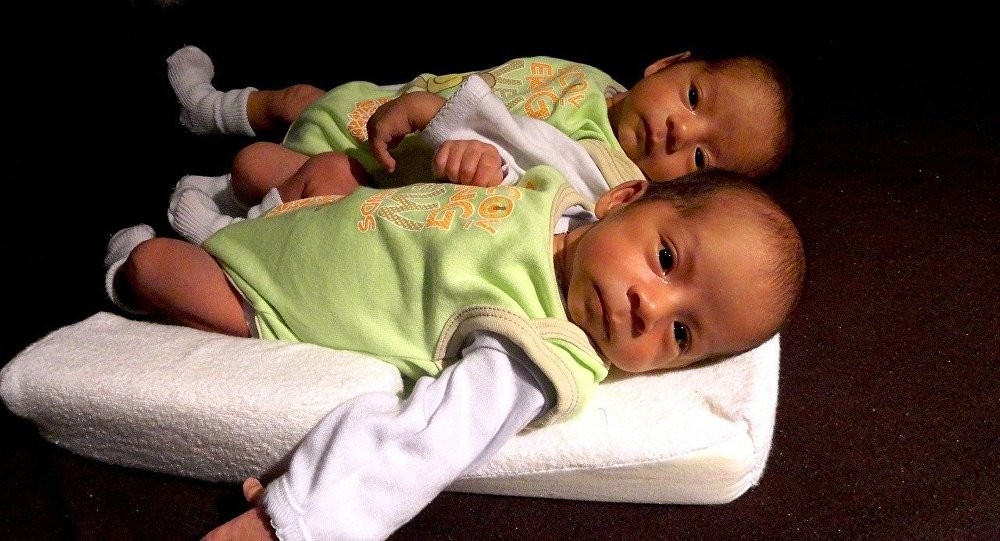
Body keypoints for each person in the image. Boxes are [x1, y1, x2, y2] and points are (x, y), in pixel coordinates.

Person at [105, 76, 805, 539]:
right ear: (621, 200)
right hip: (330, 220)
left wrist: (295, 520)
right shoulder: (558, 196)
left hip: (278, 297)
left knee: (151, 266)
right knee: (261, 165)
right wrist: (461, 151)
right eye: (666, 260)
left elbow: (426, 441)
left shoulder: (540, 348)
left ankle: (146, 264)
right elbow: (498, 147)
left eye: (681, 333)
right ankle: (226, 219)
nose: (647, 307)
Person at [165, 45, 793, 234]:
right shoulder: (595, 81)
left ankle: (226, 209)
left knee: (279, 171)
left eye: (701, 156)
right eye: (693, 98)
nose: (681, 129)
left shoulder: (604, 178)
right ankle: (208, 109)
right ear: (669, 64)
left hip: (388, 169)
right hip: (390, 103)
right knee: (303, 100)